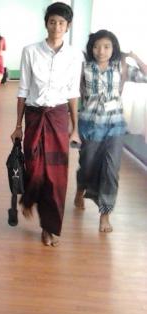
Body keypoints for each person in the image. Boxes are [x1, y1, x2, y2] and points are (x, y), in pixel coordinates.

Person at [10, 2, 83, 247]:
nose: (56, 26)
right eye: (52, 21)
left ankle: (49, 227)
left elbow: (73, 92)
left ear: (68, 26)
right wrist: (18, 125)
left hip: (59, 117)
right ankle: (35, 207)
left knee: (57, 176)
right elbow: (22, 90)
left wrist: (75, 127)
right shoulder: (30, 51)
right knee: (35, 169)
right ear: (46, 23)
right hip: (33, 116)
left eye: (61, 23)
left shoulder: (74, 55)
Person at [75, 30, 147, 232]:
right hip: (89, 125)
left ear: (114, 48)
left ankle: (104, 214)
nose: (101, 51)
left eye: (107, 46)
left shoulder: (121, 67)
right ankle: (80, 189)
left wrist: (133, 56)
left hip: (115, 126)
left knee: (111, 170)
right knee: (87, 165)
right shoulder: (84, 68)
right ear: (91, 48)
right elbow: (71, 92)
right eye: (97, 46)